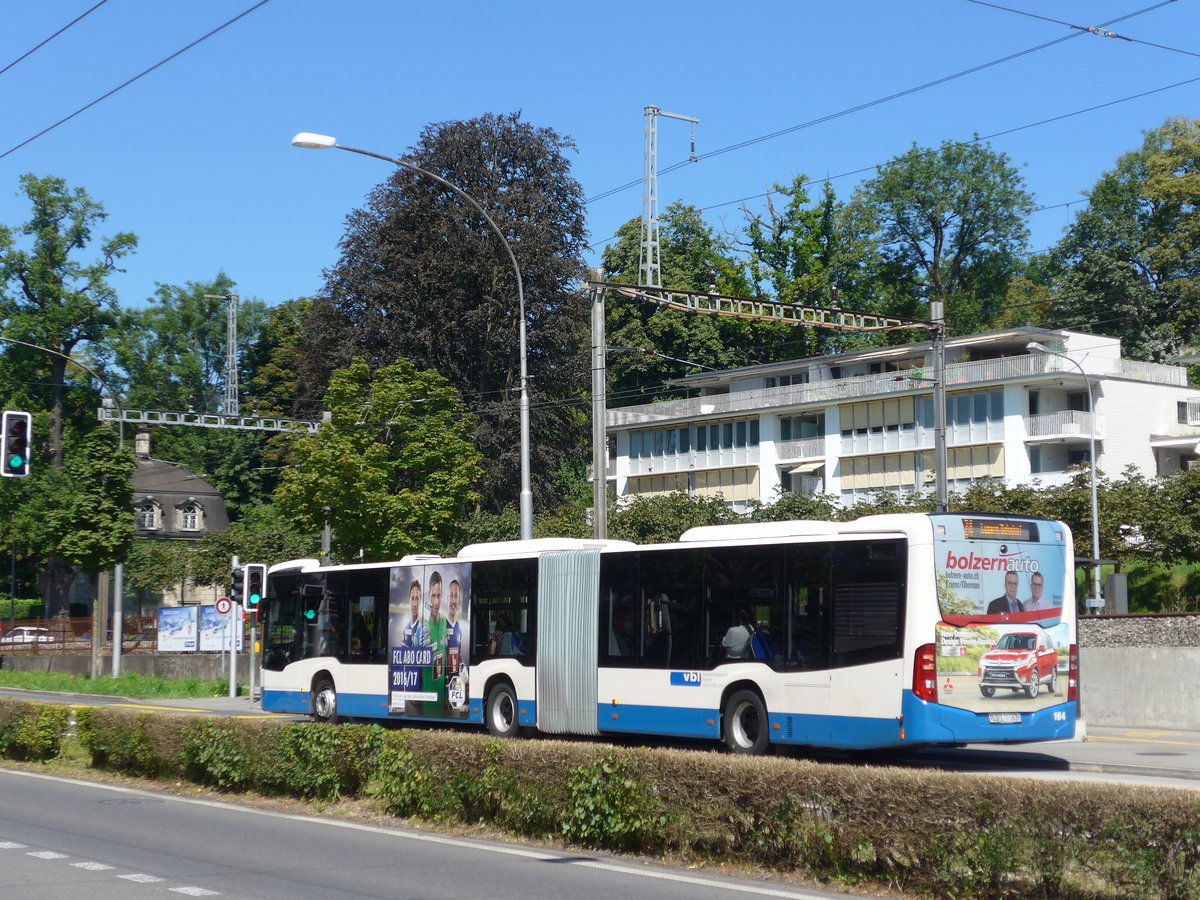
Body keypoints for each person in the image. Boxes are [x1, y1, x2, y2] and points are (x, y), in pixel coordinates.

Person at [401, 579, 426, 647]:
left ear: (420, 601)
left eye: (417, 599)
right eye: (412, 598)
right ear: (409, 600)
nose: (414, 604)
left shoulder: (424, 628)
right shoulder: (405, 629)